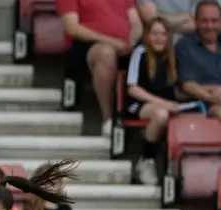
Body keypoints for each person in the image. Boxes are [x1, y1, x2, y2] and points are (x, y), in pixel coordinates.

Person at [58, 0, 142, 137]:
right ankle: (108, 119)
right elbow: (72, 28)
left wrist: (130, 43)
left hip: (124, 46)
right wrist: (109, 41)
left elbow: (136, 22)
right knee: (106, 53)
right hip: (87, 45)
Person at [126, 17, 179, 185]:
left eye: (163, 34)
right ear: (147, 35)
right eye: (154, 33)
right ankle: (146, 161)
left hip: (167, 104)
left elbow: (176, 89)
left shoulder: (172, 56)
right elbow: (132, 88)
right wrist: (162, 103)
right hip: (139, 104)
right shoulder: (140, 52)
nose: (159, 38)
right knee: (161, 114)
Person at [175, 0, 221, 118]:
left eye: (214, 21)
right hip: (202, 105)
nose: (210, 26)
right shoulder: (184, 46)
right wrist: (212, 97)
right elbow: (187, 85)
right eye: (204, 21)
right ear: (196, 21)